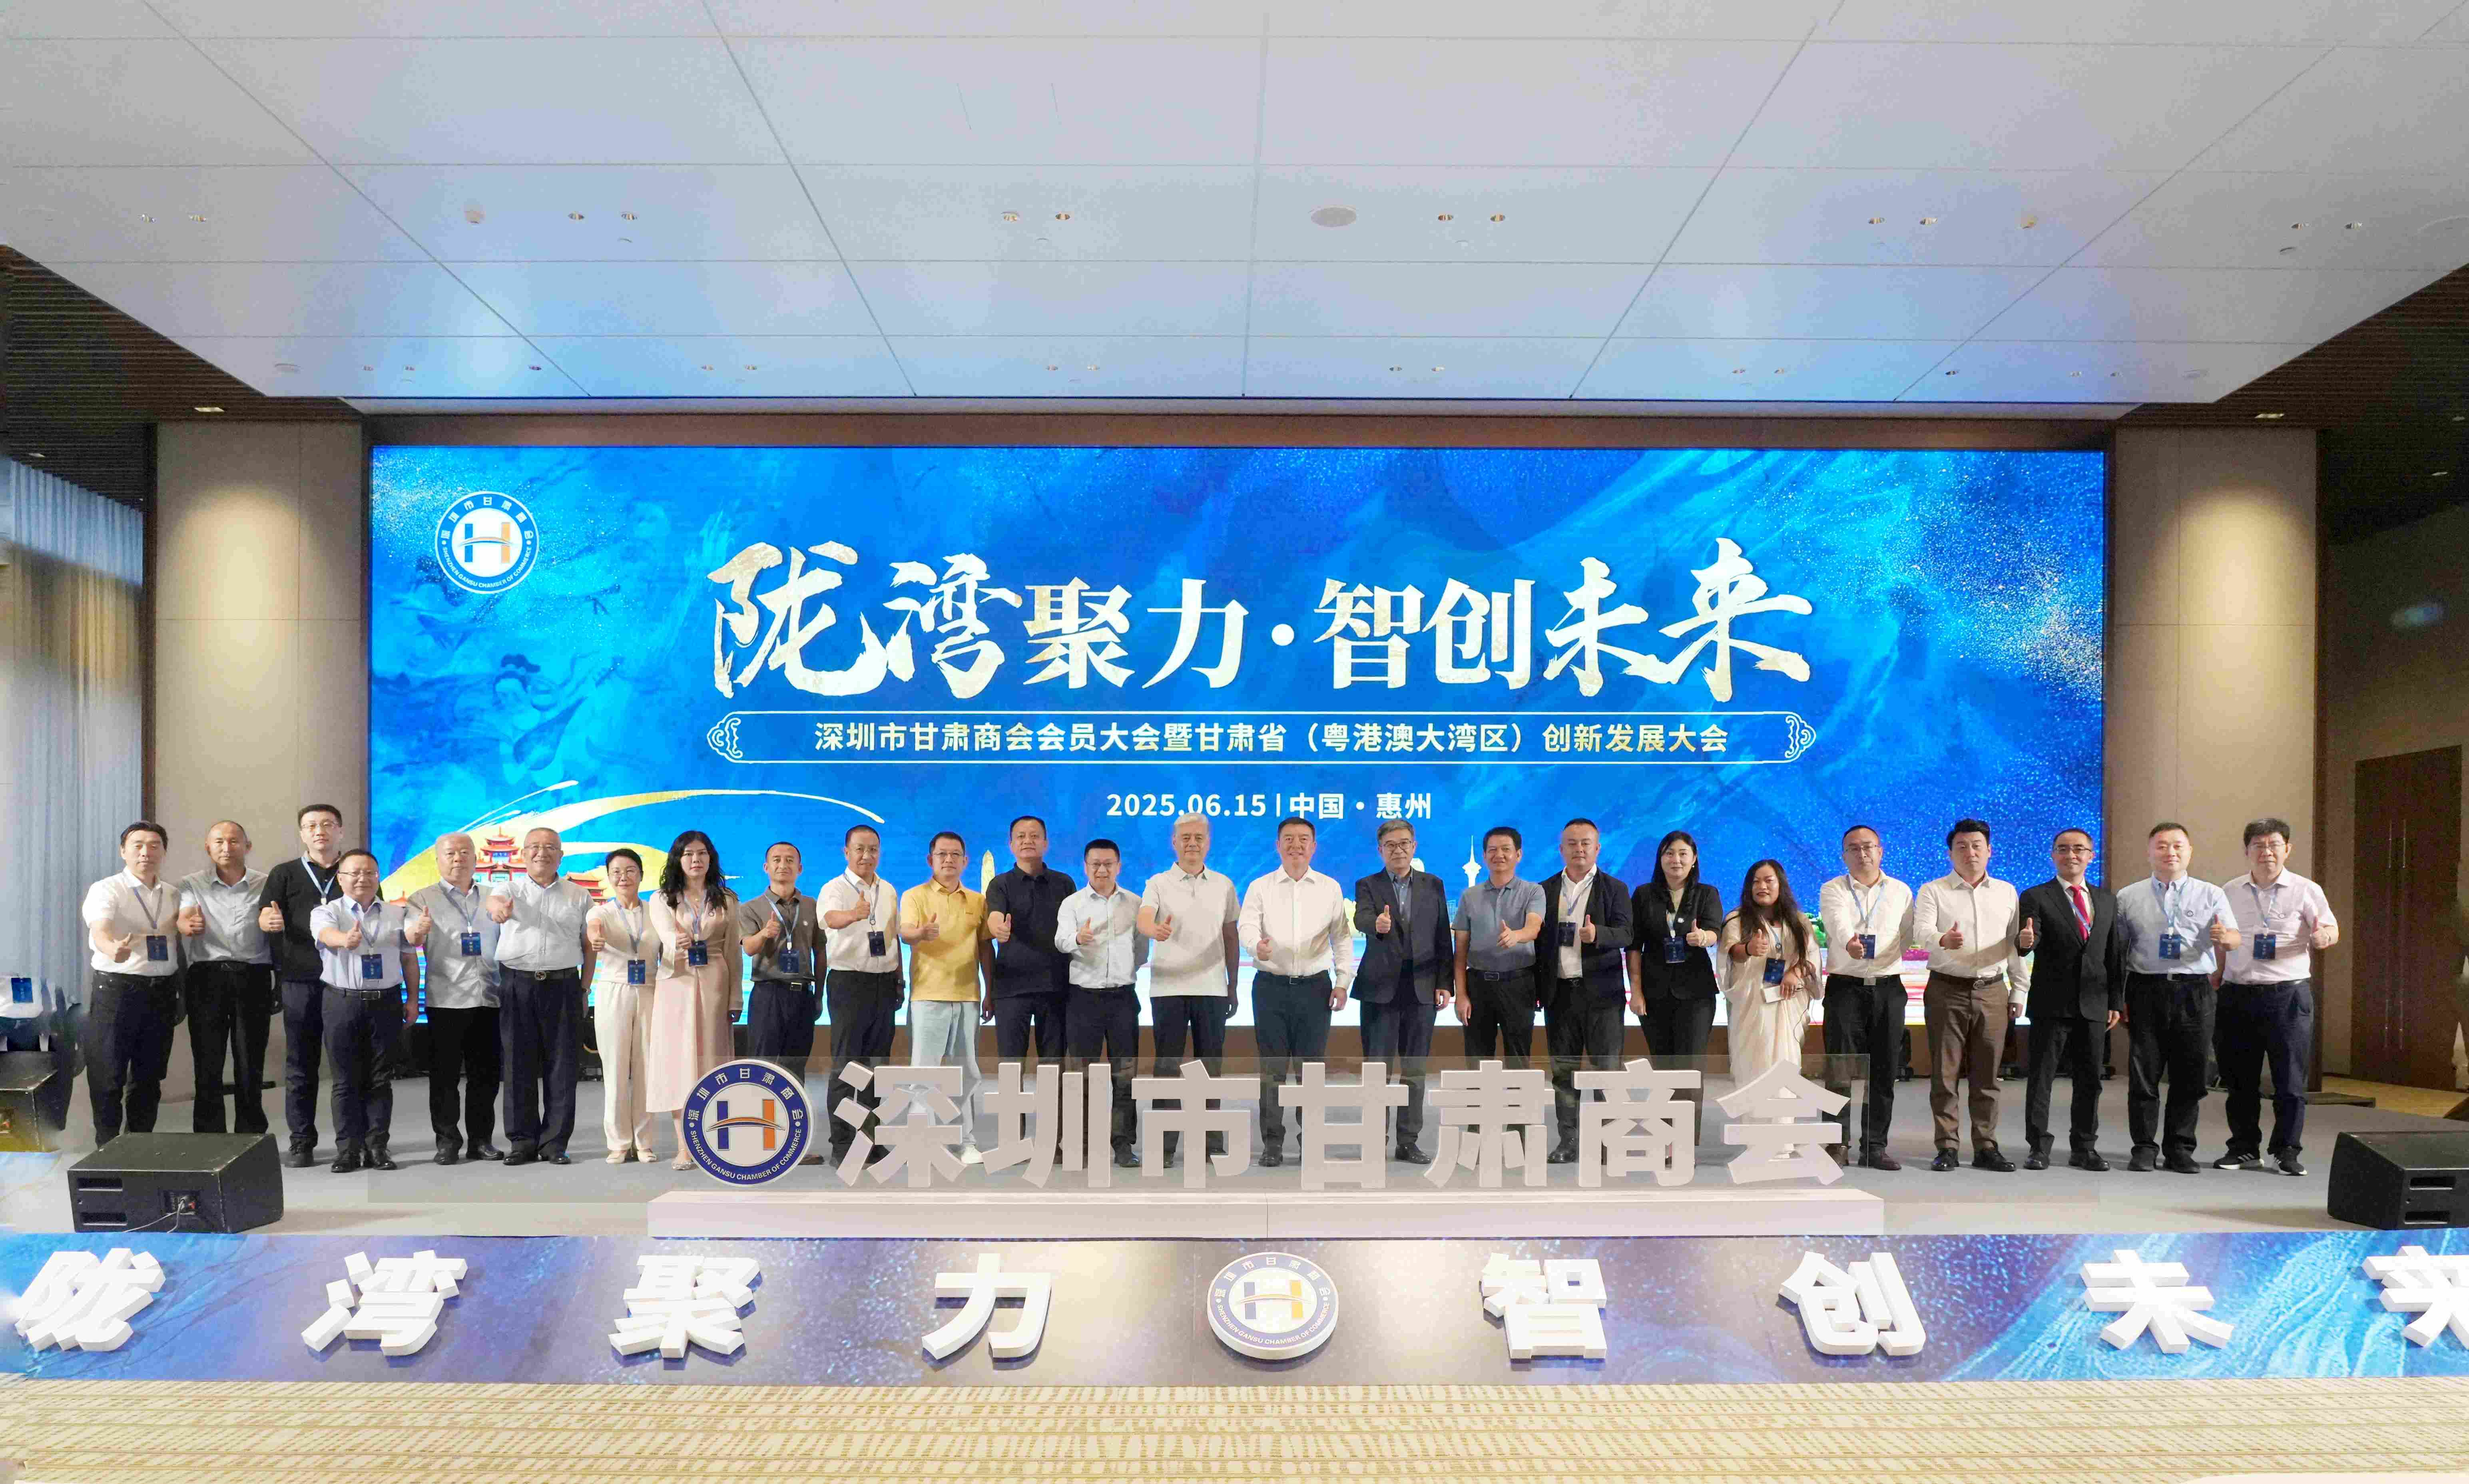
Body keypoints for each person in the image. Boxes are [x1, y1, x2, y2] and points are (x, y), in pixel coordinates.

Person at [2114, 822, 2242, 1174]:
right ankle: (2143, 1147)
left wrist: (2225, 938)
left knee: (2191, 1075)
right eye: (2161, 846)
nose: (2169, 852)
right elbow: (2118, 951)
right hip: (2145, 989)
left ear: (2189, 852)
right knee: (2144, 1074)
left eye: (2177, 846)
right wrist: (2119, 996)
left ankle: (2179, 1148)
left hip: (2194, 990)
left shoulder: (2210, 893)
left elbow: (2234, 938)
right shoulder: (2128, 896)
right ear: (2149, 852)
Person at [2214, 816, 2337, 1177]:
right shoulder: (2229, 891)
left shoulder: (2306, 889)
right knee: (2239, 1080)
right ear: (2246, 851)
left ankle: (2286, 1151)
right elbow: (2221, 938)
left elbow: (2330, 927)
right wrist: (2216, 975)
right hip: (2238, 994)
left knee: (2290, 1081)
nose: (2266, 852)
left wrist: (2324, 937)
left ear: (2287, 849)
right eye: (2258, 845)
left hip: (2288, 996)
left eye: (2273, 845)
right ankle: (2243, 1148)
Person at [1912, 819, 2031, 1173]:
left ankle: (1985, 1146)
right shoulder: (1933, 890)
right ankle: (1947, 1146)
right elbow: (1921, 931)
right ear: (1950, 853)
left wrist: (2019, 989)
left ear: (1989, 850)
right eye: (1961, 846)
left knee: (1988, 1075)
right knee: (1944, 1073)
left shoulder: (2006, 892)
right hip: (1946, 989)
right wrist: (1941, 940)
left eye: (1977, 845)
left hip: (1993, 990)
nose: (1970, 852)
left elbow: (2014, 944)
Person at [1239, 816, 1355, 1169]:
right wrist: (1255, 946)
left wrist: (1342, 981)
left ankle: (1312, 1141)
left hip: (1315, 989)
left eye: (1303, 839)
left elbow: (1341, 938)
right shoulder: (1260, 886)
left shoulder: (1329, 888)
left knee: (1311, 1071)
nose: (1296, 845)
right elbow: (1247, 925)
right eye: (1288, 839)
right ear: (1278, 845)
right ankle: (1272, 1143)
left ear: (1314, 846)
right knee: (1272, 1069)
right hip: (1270, 988)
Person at [2015, 828, 2124, 1171]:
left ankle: (2084, 1147)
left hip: (2094, 1002)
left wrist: (2116, 1001)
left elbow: (2114, 954)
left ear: (2090, 856)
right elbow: (2028, 940)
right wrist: (2024, 941)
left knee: (2090, 1080)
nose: (2071, 855)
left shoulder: (2106, 899)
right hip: (2051, 1002)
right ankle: (2038, 1146)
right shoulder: (2036, 895)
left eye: (2078, 849)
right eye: (2062, 849)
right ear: (2053, 855)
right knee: (2041, 1079)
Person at [308, 849, 424, 1171]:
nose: (363, 878)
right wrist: (344, 939)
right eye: (355, 873)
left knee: (380, 1079)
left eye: (370, 873)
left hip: (386, 1001)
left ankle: (377, 1148)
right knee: (344, 1080)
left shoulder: (397, 912)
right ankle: (347, 1150)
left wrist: (412, 1000)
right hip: (341, 1001)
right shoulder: (326, 911)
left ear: (378, 877)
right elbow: (325, 934)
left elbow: (409, 956)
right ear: (341, 878)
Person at [1137, 812, 1241, 1168]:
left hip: (1212, 987)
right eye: (1185, 838)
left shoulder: (1224, 885)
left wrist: (1232, 984)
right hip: (1168, 987)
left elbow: (1231, 935)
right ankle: (1163, 1146)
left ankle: (1210, 1142)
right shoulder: (1158, 883)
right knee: (1167, 1066)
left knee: (1209, 1066)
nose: (1192, 843)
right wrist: (1154, 930)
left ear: (1208, 842)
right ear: (1174, 842)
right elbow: (1144, 917)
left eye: (1198, 837)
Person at [485, 826, 594, 1167]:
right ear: (523, 854)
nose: (541, 853)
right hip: (517, 983)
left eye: (550, 847)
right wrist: (498, 910)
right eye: (534, 846)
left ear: (561, 855)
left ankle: (555, 1142)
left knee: (562, 1066)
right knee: (517, 1064)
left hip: (564, 985)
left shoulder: (580, 895)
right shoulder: (508, 889)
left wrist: (585, 988)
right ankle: (522, 1141)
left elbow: (589, 944)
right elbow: (493, 904)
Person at [1352, 819, 1452, 1164]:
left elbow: (1442, 935)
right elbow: (1361, 918)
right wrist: (1377, 925)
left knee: (1414, 1071)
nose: (1398, 850)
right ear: (1380, 850)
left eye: (1404, 843)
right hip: (1380, 990)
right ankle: (1373, 1139)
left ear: (1414, 846)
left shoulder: (1433, 884)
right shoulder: (1368, 884)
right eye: (1390, 845)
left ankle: (1408, 1141)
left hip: (1422, 989)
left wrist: (1445, 982)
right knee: (1376, 1071)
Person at [79, 821, 185, 1146]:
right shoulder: (107, 889)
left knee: (149, 1077)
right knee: (108, 1074)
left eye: (154, 845)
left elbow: (178, 941)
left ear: (164, 852)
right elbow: (100, 928)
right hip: (118, 989)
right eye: (137, 845)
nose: (145, 852)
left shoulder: (173, 894)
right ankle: (107, 1147)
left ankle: (139, 1146)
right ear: (123, 851)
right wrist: (111, 947)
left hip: (161, 992)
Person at [1816, 825, 1915, 1170]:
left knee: (1884, 1070)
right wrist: (1849, 943)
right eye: (1854, 848)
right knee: (1839, 1070)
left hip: (1888, 988)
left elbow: (1906, 934)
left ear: (1880, 851)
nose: (1862, 854)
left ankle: (1874, 1146)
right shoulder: (1833, 888)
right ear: (1844, 855)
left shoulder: (1900, 890)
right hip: (1845, 987)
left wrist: (1885, 960)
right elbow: (1836, 922)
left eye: (1868, 847)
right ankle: (1836, 1144)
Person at [256, 803, 348, 1166]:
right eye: (311, 826)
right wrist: (268, 920)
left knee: (347, 1065)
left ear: (340, 830)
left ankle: (351, 1142)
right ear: (302, 834)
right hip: (299, 980)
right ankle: (301, 1142)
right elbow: (265, 913)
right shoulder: (285, 873)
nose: (319, 831)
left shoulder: (354, 869)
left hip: (345, 981)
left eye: (327, 824)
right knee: (301, 1065)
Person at [1538, 818, 1633, 1163]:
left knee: (1607, 1072)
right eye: (1572, 843)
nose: (1579, 849)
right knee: (1563, 1073)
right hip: (1560, 995)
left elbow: (1627, 934)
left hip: (1602, 996)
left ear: (1597, 848)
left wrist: (1598, 935)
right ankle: (1569, 1141)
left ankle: (1609, 1142)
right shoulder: (1544, 890)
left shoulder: (1615, 888)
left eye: (1585, 843)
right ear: (1561, 849)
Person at [645, 830, 740, 1168]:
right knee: (678, 1062)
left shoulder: (727, 898)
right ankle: (684, 1146)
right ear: (678, 859)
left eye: (701, 853)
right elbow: (665, 932)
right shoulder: (662, 898)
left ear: (711, 858)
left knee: (713, 1060)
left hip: (716, 980)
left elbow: (733, 951)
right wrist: (677, 940)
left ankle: (716, 1141)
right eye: (688, 854)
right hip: (677, 981)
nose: (695, 859)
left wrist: (735, 997)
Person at [171, 820, 274, 1135]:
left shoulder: (267, 883)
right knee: (208, 1061)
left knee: (250, 1061)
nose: (226, 848)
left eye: (233, 841)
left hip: (253, 976)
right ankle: (209, 1137)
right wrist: (186, 925)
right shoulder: (191, 883)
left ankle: (250, 1134)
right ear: (208, 847)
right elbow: (184, 916)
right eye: (218, 842)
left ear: (248, 846)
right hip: (207, 978)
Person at [406, 832, 502, 1164]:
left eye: (464, 852)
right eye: (450, 853)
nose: (458, 858)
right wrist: (419, 930)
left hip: (489, 997)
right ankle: (447, 1141)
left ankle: (481, 1140)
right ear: (438, 860)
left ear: (476, 858)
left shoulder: (493, 897)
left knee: (485, 1077)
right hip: (445, 999)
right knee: (444, 1078)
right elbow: (411, 938)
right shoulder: (421, 899)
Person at [901, 831, 993, 1162]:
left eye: (955, 854)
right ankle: (920, 1139)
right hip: (928, 996)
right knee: (923, 1072)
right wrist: (921, 933)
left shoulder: (978, 901)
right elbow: (905, 933)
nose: (949, 860)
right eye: (942, 854)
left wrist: (990, 990)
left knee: (965, 1074)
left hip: (968, 996)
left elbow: (985, 948)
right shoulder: (914, 896)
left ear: (965, 861)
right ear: (931, 860)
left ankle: (964, 1141)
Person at [1056, 837, 1147, 1168]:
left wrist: (1123, 971)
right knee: (1080, 1075)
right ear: (1085, 866)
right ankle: (1082, 1144)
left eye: (1108, 863)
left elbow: (1141, 951)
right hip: (1084, 998)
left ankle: (1123, 1144)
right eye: (1095, 863)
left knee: (1125, 1076)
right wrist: (1077, 939)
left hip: (1123, 998)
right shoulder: (1072, 904)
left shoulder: (1135, 903)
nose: (1102, 869)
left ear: (1119, 866)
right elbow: (1060, 940)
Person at [820, 824, 902, 1165]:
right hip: (849, 983)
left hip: (884, 984)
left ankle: (871, 1140)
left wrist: (899, 979)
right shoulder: (834, 888)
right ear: (846, 852)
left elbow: (892, 937)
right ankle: (841, 1144)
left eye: (873, 849)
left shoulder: (889, 890)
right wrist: (853, 915)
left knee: (877, 1068)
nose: (866, 856)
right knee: (847, 1065)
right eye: (859, 849)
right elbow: (830, 918)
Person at [985, 816, 1076, 1096]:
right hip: (1012, 989)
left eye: (1035, 836)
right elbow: (994, 916)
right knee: (1011, 1066)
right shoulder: (1000, 884)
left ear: (1046, 843)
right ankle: (1014, 1126)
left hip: (1056, 987)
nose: (1028, 841)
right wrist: (998, 929)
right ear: (1011, 844)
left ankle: (1053, 1125)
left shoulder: (1064, 883)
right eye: (1021, 836)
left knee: (1054, 1066)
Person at [1719, 859, 1822, 1090]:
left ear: (1781, 884)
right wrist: (1748, 949)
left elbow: (1812, 957)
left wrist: (1796, 973)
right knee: (1754, 1064)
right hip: (1752, 1004)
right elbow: (1729, 953)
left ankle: (1783, 1112)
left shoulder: (1799, 920)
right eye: (1756, 882)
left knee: (1786, 1061)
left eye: (1768, 881)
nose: (1762, 887)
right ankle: (1753, 1112)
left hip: (1788, 1000)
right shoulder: (1737, 919)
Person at [737, 841, 823, 1110]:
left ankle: (793, 1130)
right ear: (766, 867)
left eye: (789, 860)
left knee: (796, 1066)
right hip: (768, 993)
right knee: (762, 1064)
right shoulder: (750, 908)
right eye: (776, 860)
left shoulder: (812, 906)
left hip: (802, 995)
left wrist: (819, 996)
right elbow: (749, 948)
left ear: (800, 868)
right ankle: (758, 1126)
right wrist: (764, 934)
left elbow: (821, 952)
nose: (783, 865)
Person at [587, 849, 658, 1164]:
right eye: (616, 872)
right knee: (615, 1067)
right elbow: (593, 928)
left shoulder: (656, 911)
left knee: (647, 1068)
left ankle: (644, 1142)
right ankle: (618, 1142)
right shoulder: (600, 911)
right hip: (613, 990)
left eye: (630, 870)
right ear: (609, 877)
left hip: (650, 990)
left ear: (641, 875)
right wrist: (595, 938)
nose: (623, 877)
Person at [1453, 827, 1545, 1072]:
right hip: (1478, 986)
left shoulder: (1533, 891)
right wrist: (1461, 995)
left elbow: (1534, 928)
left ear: (1519, 855)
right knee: (1477, 1059)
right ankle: (1478, 1098)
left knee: (1518, 1058)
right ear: (1484, 856)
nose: (1499, 855)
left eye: (1506, 849)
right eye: (1492, 850)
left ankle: (1518, 1098)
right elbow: (1460, 953)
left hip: (1519, 985)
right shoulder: (1469, 896)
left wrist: (1517, 936)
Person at [1626, 831, 1724, 1060]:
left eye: (1683, 854)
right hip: (1653, 994)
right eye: (1669, 854)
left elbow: (1715, 932)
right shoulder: (1643, 895)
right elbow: (1634, 947)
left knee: (1691, 1063)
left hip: (1696, 993)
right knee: (1662, 1063)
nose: (1676, 860)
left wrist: (1703, 937)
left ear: (1694, 858)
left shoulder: (1707, 894)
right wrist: (1636, 992)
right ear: (1660, 859)